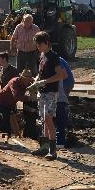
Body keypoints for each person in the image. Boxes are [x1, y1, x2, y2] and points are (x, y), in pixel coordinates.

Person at [28, 31, 66, 160]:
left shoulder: (53, 56)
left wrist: (45, 81)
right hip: (42, 91)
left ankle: (53, 150)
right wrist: (35, 83)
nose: (38, 47)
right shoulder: (42, 55)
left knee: (48, 119)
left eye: (39, 44)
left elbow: (61, 75)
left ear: (46, 43)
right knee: (43, 119)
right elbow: (40, 73)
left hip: (51, 91)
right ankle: (44, 147)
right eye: (37, 45)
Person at [0, 69, 35, 143]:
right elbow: (16, 96)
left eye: (29, 79)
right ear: (22, 78)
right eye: (27, 79)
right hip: (2, 102)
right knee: (4, 121)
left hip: (11, 104)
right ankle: (0, 139)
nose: (28, 81)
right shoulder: (14, 82)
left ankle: (8, 138)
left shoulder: (27, 83)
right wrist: (29, 98)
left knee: (10, 121)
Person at [55, 56, 74, 148]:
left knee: (61, 105)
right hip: (66, 82)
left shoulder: (56, 61)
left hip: (66, 83)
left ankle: (67, 126)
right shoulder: (56, 59)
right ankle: (66, 126)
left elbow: (64, 75)